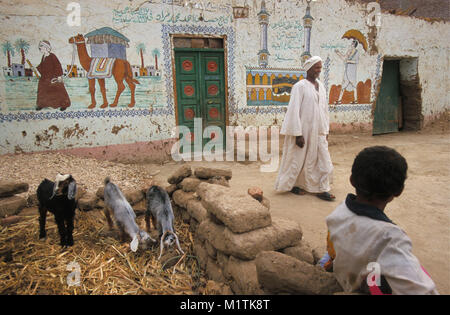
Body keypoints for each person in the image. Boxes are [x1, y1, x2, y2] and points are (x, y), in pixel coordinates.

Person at [325, 146, 438, 294]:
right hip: (363, 288)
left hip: (346, 279)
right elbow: (422, 291)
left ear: (352, 180)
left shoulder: (339, 212)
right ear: (398, 192)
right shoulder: (390, 237)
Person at [274, 56, 335, 201]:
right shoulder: (299, 86)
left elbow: (324, 110)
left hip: (319, 131)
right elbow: (293, 110)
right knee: (296, 161)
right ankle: (293, 185)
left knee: (324, 161)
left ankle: (322, 188)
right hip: (302, 131)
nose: (319, 70)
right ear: (308, 68)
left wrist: (326, 130)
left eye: (320, 67)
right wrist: (297, 134)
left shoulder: (321, 86)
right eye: (316, 67)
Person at [34, 40, 71, 111]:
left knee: (59, 90)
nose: (40, 48)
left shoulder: (52, 56)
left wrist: (59, 76)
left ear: (46, 48)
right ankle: (41, 104)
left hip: (53, 77)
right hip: (45, 77)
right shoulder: (43, 56)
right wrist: (36, 68)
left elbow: (58, 66)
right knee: (42, 90)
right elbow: (42, 65)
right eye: (40, 47)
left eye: (41, 47)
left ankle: (64, 104)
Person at [335, 39, 359, 104]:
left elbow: (356, 61)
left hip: (352, 71)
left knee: (354, 85)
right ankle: (339, 100)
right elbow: (344, 58)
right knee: (343, 85)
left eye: (352, 44)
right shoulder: (349, 51)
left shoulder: (356, 52)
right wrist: (338, 53)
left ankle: (356, 100)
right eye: (351, 43)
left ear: (354, 45)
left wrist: (348, 61)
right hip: (347, 70)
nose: (351, 45)